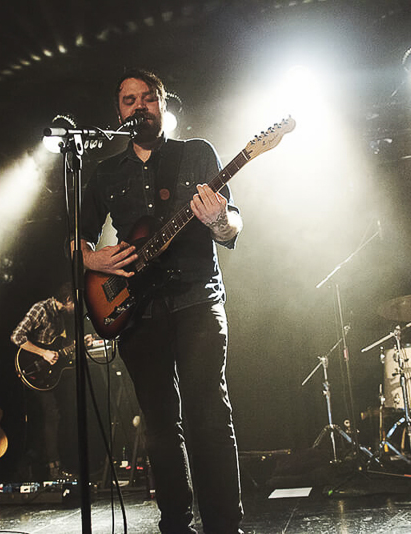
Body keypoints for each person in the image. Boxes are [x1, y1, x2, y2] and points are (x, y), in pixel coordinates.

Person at [78, 69, 244, 534]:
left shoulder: (198, 154)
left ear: (163, 106)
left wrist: (218, 223)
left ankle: (225, 526)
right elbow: (77, 237)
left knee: (209, 414)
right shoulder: (106, 172)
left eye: (148, 98)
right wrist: (93, 261)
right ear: (119, 112)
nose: (139, 106)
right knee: (158, 424)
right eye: (129, 100)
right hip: (136, 310)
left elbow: (231, 224)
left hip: (196, 299)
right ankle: (174, 523)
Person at [11, 282, 91, 481]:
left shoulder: (60, 316)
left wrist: (79, 344)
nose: (77, 307)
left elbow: (59, 346)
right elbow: (16, 336)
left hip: (50, 374)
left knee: (57, 416)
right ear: (67, 300)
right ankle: (52, 468)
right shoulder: (41, 308)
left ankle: (53, 465)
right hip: (34, 371)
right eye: (76, 303)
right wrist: (43, 353)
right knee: (51, 416)